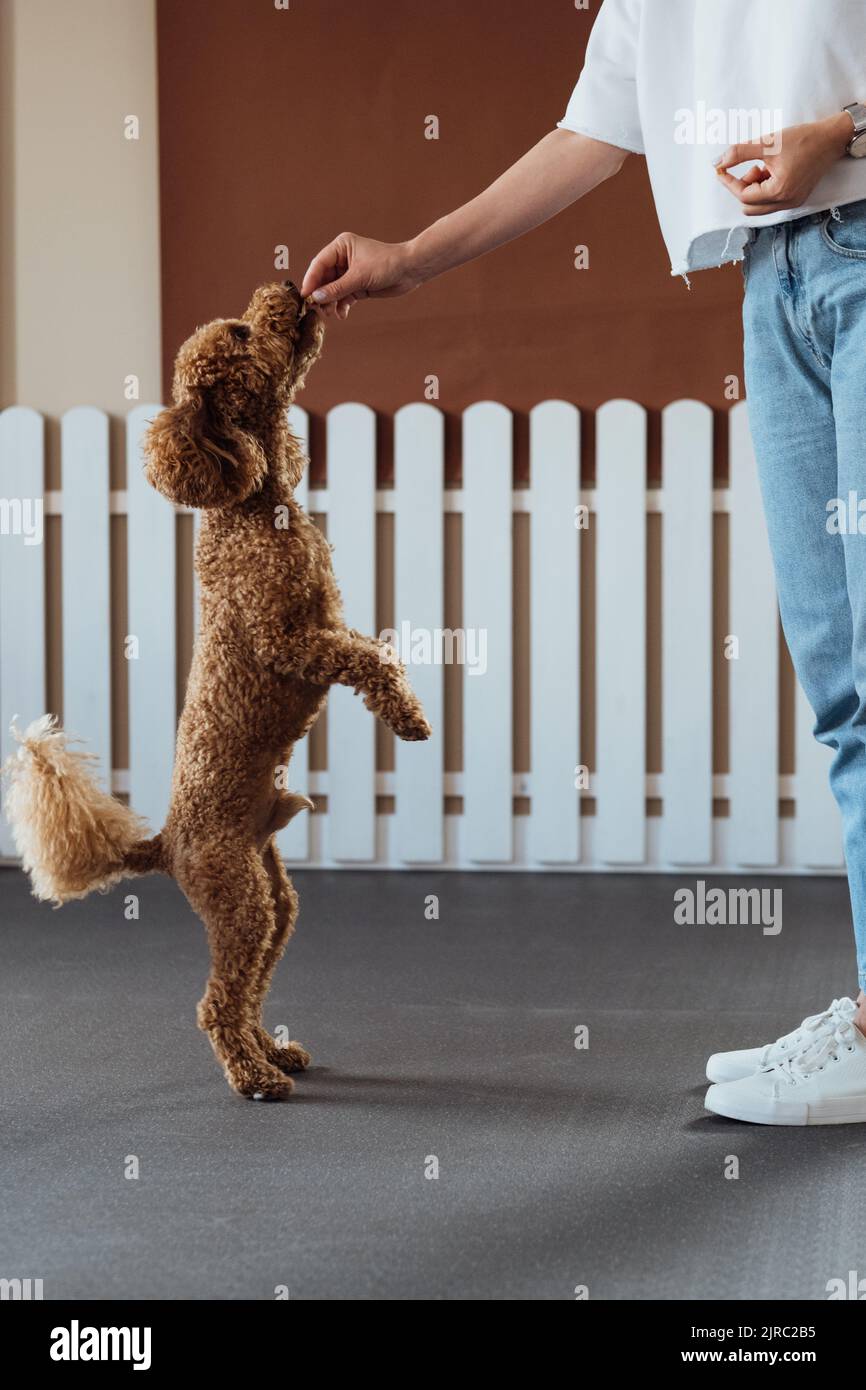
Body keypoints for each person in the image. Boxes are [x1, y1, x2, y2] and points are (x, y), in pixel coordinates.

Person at [301, 0, 866, 1125]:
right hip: (773, 282)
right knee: (844, 689)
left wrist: (846, 133)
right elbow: (592, 133)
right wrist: (410, 258)